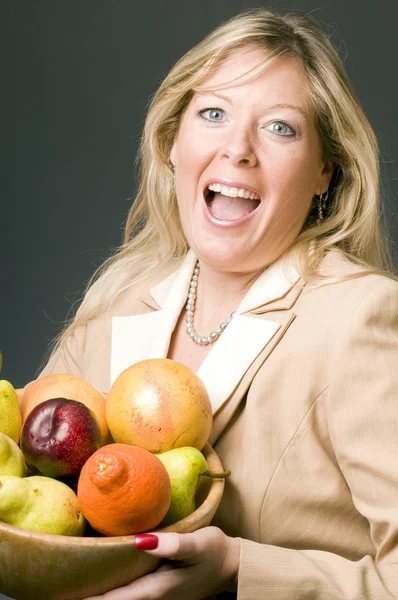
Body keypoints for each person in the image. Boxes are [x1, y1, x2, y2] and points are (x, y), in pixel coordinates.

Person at [24, 7, 398, 599]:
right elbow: (22, 497)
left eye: (280, 127)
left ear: (326, 170)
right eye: (214, 114)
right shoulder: (116, 300)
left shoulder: (362, 318)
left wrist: (239, 569)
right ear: (174, 142)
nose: (238, 149)